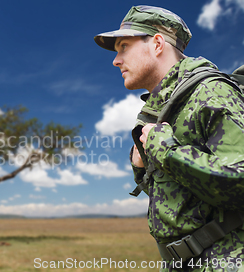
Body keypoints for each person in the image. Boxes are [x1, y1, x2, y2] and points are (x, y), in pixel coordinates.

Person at [94, 5, 244, 272]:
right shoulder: (164, 108)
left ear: (158, 44)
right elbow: (187, 198)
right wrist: (142, 169)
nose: (116, 60)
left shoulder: (211, 92)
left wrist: (163, 150)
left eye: (123, 47)